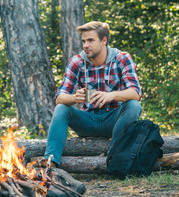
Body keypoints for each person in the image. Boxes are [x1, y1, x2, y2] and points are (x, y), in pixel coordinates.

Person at [43, 21, 142, 167]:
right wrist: (74, 97)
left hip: (114, 120)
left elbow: (136, 92)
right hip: (89, 121)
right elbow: (59, 98)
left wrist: (111, 95)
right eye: (83, 41)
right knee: (61, 108)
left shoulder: (122, 58)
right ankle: (50, 163)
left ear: (104, 41)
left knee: (134, 105)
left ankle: (114, 158)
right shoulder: (77, 62)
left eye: (90, 40)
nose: (85, 45)